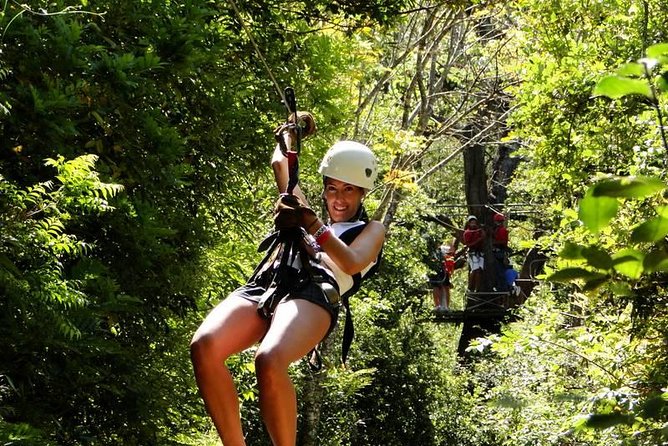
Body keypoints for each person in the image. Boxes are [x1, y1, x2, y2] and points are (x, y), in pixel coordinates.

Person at [189, 118, 385, 446]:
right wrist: (291, 131)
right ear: (324, 189)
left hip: (314, 293)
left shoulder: (371, 229)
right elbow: (280, 161)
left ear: (362, 193)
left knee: (269, 359)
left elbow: (351, 261)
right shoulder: (305, 210)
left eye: (349, 190)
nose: (339, 198)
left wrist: (310, 221)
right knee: (204, 346)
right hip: (272, 282)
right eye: (332, 188)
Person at [462, 215, 485, 292]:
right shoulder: (467, 233)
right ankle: (470, 287)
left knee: (480, 271)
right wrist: (478, 240)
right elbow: (468, 244)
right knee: (475, 270)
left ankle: (477, 289)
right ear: (469, 223)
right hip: (472, 252)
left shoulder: (479, 231)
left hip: (480, 252)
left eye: (474, 222)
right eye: (472, 222)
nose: (473, 224)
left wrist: (482, 231)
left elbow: (484, 237)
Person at [428, 244, 454, 312]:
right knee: (437, 286)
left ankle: (444, 307)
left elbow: (452, 250)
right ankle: (438, 306)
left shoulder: (442, 249)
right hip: (436, 269)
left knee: (445, 286)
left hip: (441, 269)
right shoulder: (432, 251)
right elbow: (452, 250)